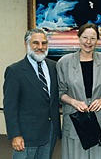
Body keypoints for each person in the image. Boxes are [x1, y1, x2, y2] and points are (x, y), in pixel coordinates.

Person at [56, 23, 101, 159]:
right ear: (78, 38)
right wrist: (73, 102)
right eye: (85, 37)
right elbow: (60, 92)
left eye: (93, 38)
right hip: (76, 119)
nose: (88, 42)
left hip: (100, 119)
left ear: (97, 40)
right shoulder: (64, 62)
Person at [3, 28, 62, 159]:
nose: (40, 47)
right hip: (25, 135)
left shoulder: (54, 67)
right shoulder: (15, 71)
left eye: (44, 43)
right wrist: (15, 135)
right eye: (36, 43)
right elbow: (9, 106)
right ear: (26, 44)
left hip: (50, 132)